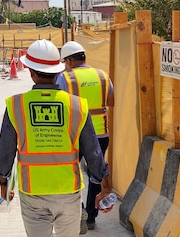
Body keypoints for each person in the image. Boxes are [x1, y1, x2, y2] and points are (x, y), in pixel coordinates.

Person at [0, 39, 112, 237]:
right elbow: (93, 152)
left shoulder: (16, 105)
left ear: (30, 72)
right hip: (68, 190)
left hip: (33, 192)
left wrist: (4, 182)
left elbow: (5, 150)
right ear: (58, 71)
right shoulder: (78, 106)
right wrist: (104, 186)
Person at [57, 41, 114, 231]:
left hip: (75, 135)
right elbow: (111, 101)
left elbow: (60, 104)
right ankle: (91, 217)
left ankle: (78, 213)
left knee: (72, 174)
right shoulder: (102, 76)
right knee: (96, 174)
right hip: (101, 133)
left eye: (65, 61)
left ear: (70, 60)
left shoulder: (65, 78)